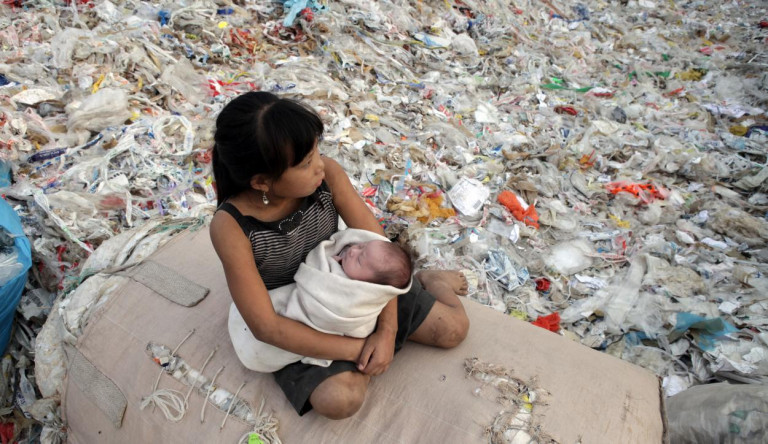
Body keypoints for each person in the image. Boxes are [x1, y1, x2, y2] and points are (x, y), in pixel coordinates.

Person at [210, 91, 470, 419]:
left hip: (358, 282)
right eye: (305, 163)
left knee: (454, 329)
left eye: (317, 151)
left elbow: (378, 243)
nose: (320, 165)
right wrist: (362, 348)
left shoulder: (327, 176)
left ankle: (427, 279)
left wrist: (386, 331)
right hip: (300, 315)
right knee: (340, 401)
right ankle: (354, 356)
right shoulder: (231, 227)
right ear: (262, 181)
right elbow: (267, 327)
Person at [229, 229, 414, 373]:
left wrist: (387, 331)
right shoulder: (354, 263)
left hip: (327, 322)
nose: (353, 251)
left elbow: (327, 296)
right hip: (277, 326)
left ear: (370, 286)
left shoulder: (354, 295)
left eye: (359, 260)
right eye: (361, 246)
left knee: (443, 330)